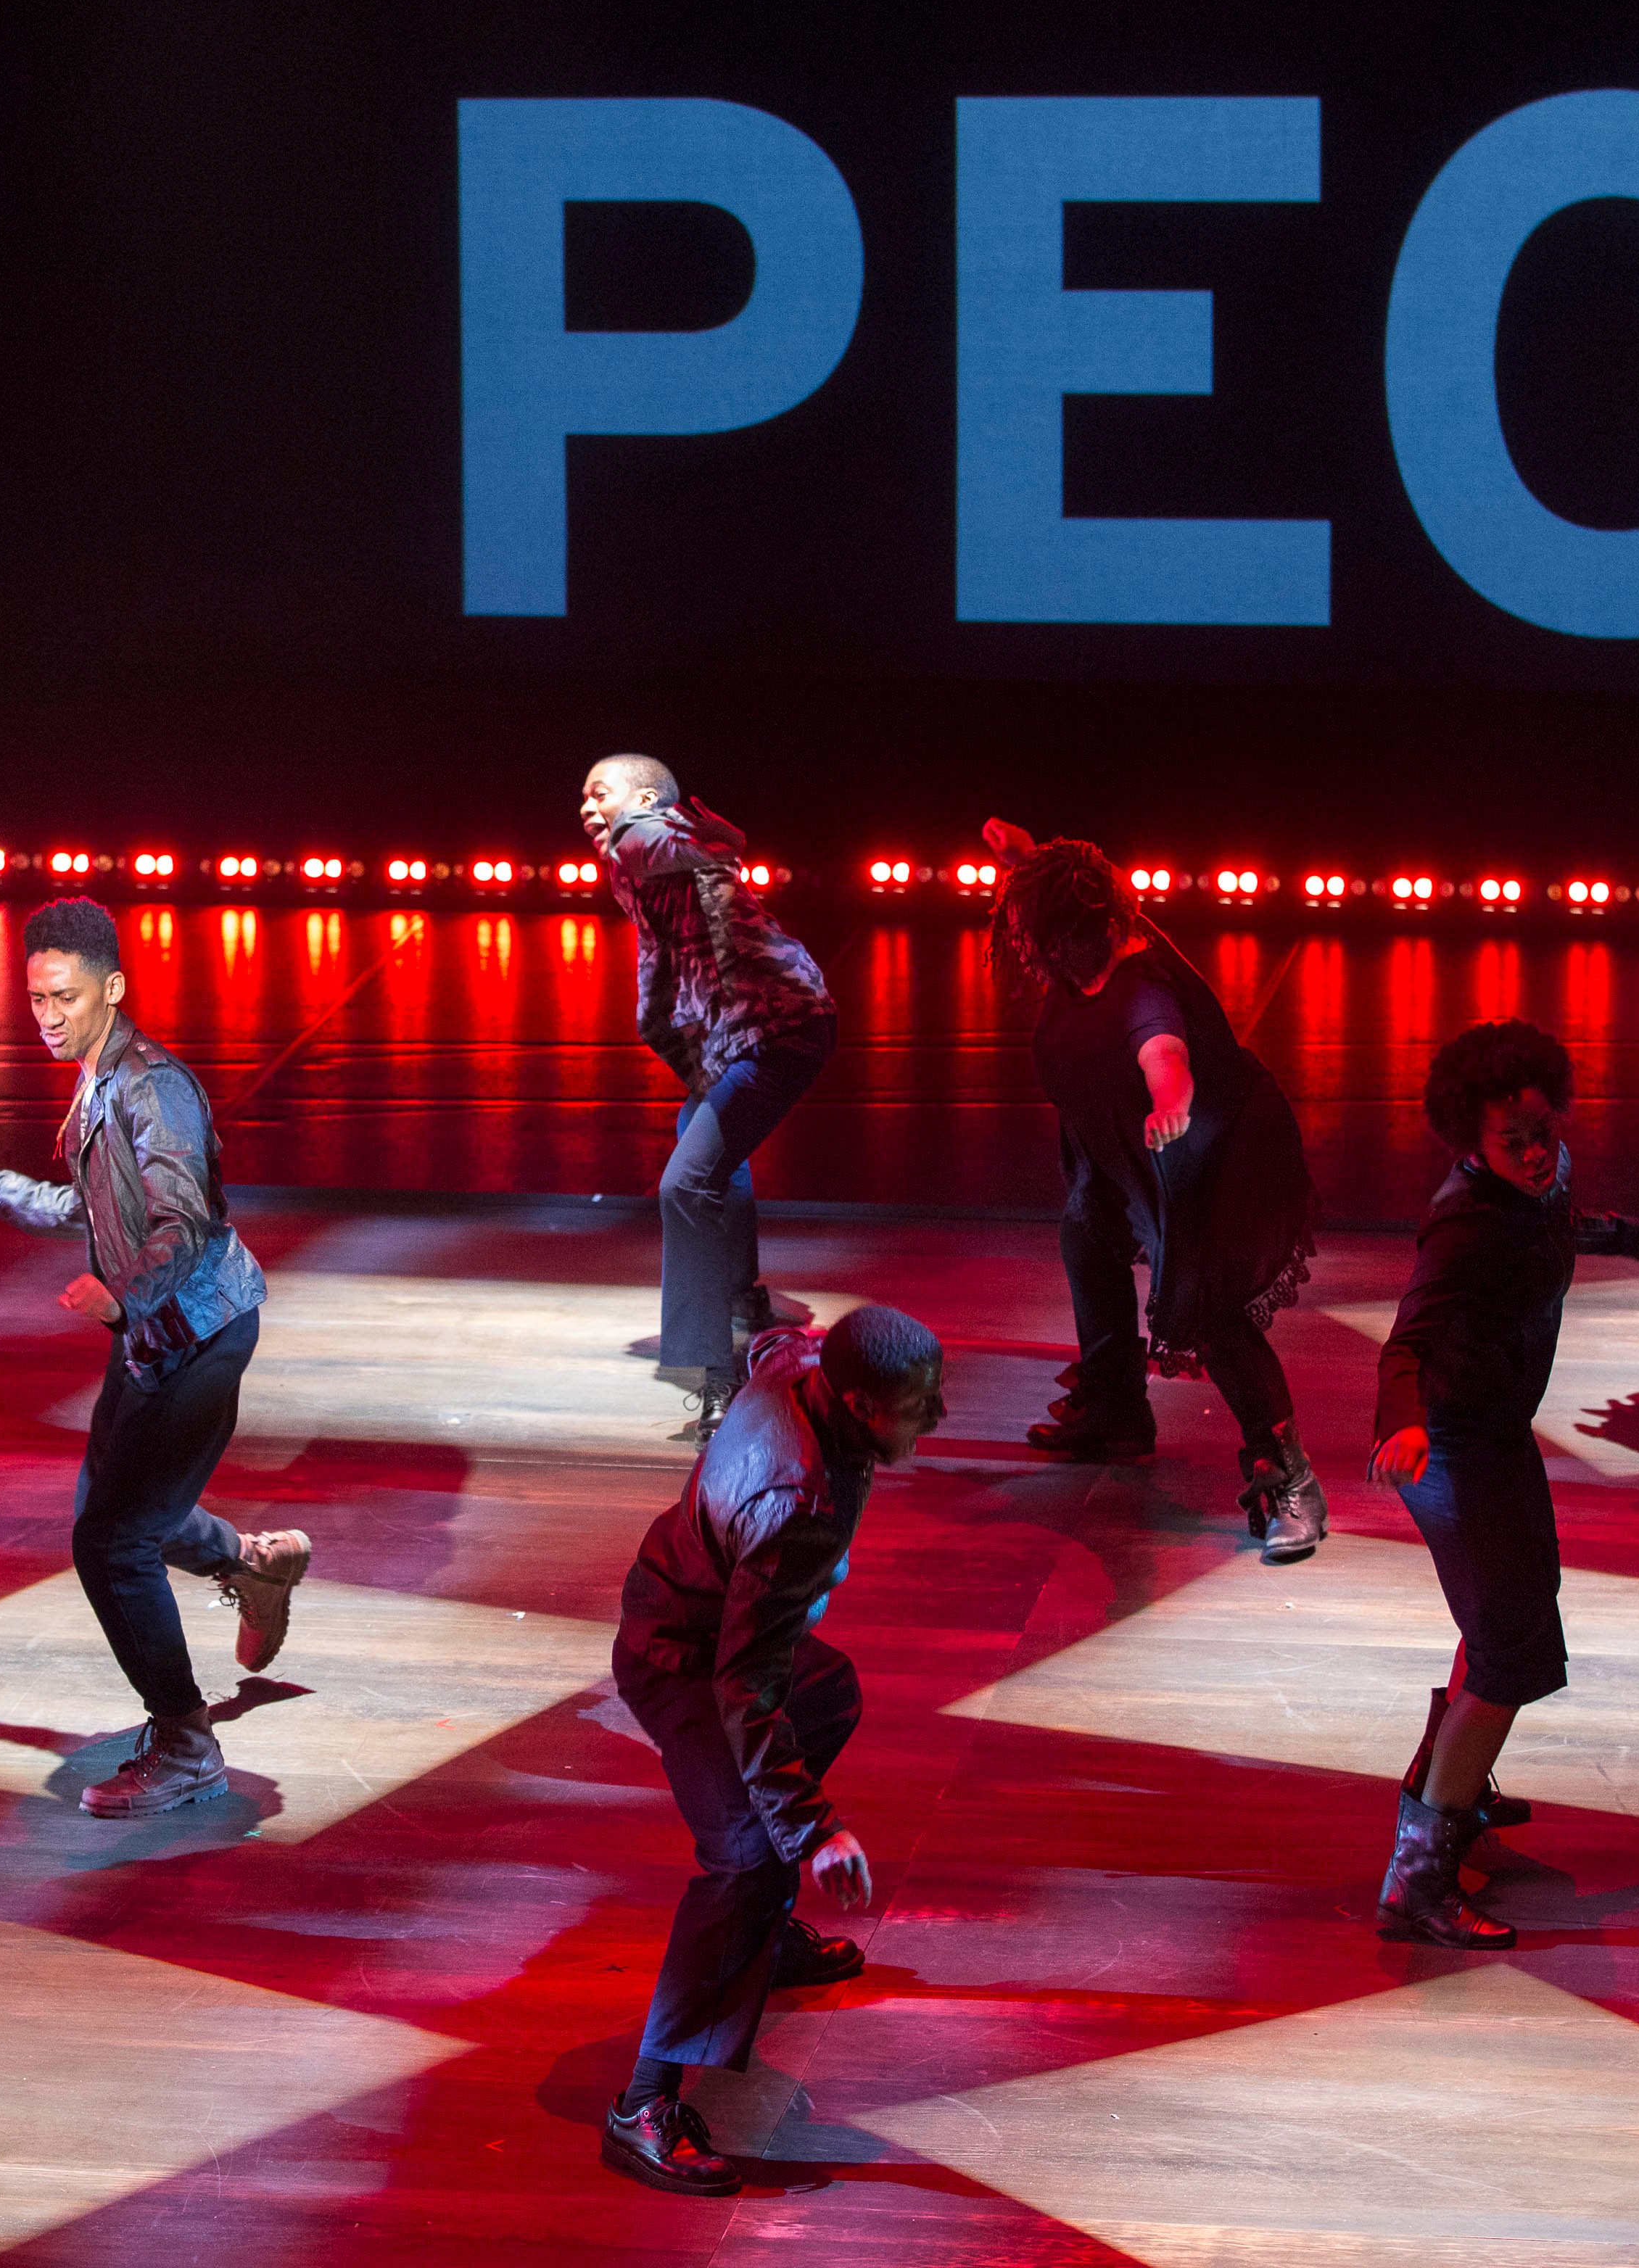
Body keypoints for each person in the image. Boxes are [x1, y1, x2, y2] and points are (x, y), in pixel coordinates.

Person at [0, 898, 306, 1818]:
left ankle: (186, 1744)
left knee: (112, 1540)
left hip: (200, 1335)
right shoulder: (96, 1078)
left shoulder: (152, 1087)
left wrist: (122, 1291)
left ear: (113, 988)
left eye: (65, 996)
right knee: (117, 1515)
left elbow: (184, 1221)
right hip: (153, 1337)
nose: (48, 1015)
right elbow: (84, 1206)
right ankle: (252, 1562)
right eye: (36, 998)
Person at [1369, 1020, 1639, 1949]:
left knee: (1510, 1622)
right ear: (1470, 1141)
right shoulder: (1464, 1219)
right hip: (1446, 1446)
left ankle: (1447, 1792)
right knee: (1510, 1653)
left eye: (1543, 1132)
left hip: (1496, 1435)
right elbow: (1407, 1339)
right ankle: (1417, 1877)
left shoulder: (1545, 1180)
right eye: (1512, 1141)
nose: (1534, 1153)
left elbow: (1563, 1223)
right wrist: (1402, 1422)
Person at [601, 1305, 945, 2196]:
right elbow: (742, 1686)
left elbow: (767, 1341)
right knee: (748, 1858)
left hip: (718, 1629)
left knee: (829, 1692)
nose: (936, 1417)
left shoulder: (801, 1364)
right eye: (919, 1404)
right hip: (681, 1656)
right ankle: (644, 2103)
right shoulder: (796, 1502)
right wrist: (815, 1829)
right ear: (861, 1405)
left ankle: (760, 1936)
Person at [985, 825, 1329, 1559]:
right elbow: (1071, 881)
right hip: (1128, 1155)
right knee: (1087, 1239)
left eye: (1052, 940)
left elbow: (1163, 1050)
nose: (1041, 954)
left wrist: (1171, 1098)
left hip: (1214, 1159)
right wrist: (1025, 858)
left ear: (1091, 931)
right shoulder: (1091, 933)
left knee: (1210, 1312)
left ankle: (1290, 1478)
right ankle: (1115, 1411)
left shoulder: (1142, 984)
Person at [579, 756, 838, 1442]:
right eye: (584, 798)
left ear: (643, 798)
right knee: (701, 1131)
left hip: (777, 1030)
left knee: (686, 1185)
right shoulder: (641, 862)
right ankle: (741, 1297)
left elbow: (674, 843)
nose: (587, 807)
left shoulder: (641, 834)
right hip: (757, 1033)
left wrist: (711, 841)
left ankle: (717, 1379)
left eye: (600, 793)